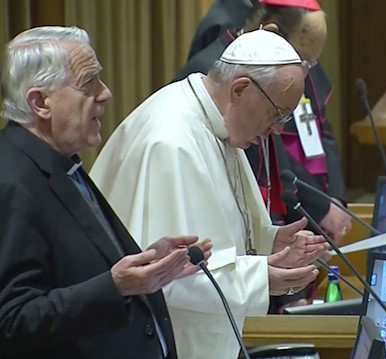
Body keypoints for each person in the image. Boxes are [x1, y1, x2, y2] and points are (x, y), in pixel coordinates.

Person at [90, 29, 328, 359]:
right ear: (241, 89)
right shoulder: (171, 141)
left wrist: (267, 240)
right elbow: (168, 276)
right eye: (277, 113)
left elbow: (215, 234)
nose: (279, 129)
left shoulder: (217, 125)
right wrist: (264, 279)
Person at [0, 26, 211, 359]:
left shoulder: (61, 163)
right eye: (88, 83)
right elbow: (11, 320)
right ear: (40, 102)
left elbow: (76, 268)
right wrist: (117, 286)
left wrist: (149, 264)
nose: (106, 94)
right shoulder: (10, 180)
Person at [175, 0, 352, 244]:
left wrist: (334, 197)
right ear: (271, 33)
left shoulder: (286, 63)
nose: (306, 72)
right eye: (303, 61)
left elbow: (323, 129)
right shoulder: (216, 72)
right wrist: (318, 206)